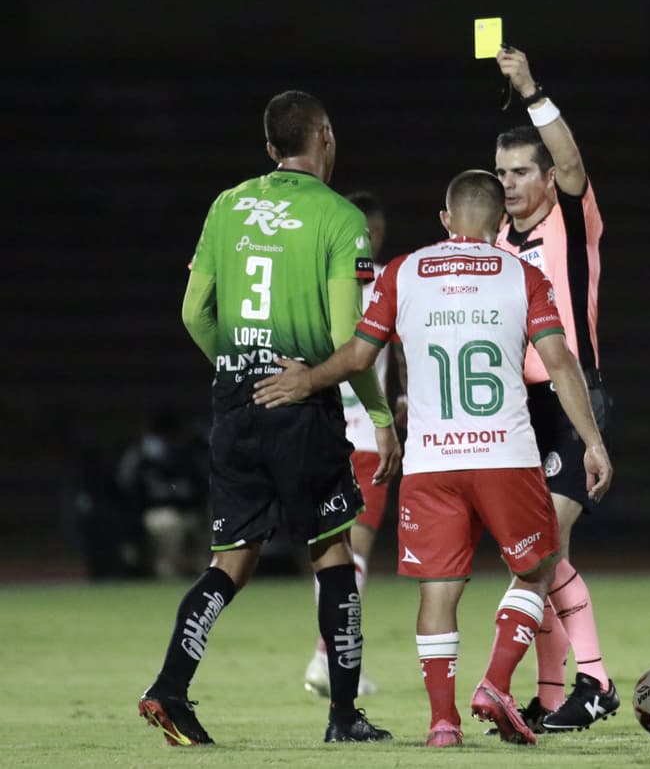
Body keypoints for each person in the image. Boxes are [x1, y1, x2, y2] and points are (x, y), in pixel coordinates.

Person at [253, 169, 613, 748]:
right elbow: (562, 363)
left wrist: (304, 381)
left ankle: (443, 723)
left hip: (430, 461)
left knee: (438, 592)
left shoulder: (403, 272)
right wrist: (592, 442)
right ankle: (496, 682)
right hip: (505, 454)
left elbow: (356, 356)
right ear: (500, 225)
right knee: (538, 567)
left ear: (445, 220)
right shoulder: (522, 274)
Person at [138, 90, 401, 747]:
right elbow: (349, 339)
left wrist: (238, 366)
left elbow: (193, 312)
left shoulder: (227, 205)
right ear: (326, 137)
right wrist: (379, 415)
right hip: (301, 407)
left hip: (236, 404)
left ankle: (170, 686)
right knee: (332, 548)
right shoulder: (341, 219)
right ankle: (343, 715)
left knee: (231, 559)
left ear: (269, 149)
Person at [489, 45, 619, 733]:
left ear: (546, 177)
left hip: (575, 400)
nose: (509, 183)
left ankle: (593, 681)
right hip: (524, 411)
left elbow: (571, 162)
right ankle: (548, 693)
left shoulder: (569, 218)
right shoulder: (500, 243)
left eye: (520, 172)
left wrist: (532, 89)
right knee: (542, 556)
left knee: (540, 550)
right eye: (502, 173)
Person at [303, 189, 408, 698]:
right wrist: (401, 400)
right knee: (354, 551)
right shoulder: (384, 283)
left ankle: (328, 654)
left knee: (329, 547)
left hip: (318, 431)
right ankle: (331, 657)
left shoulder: (314, 282)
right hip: (364, 435)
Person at [114, 405, 211, 579]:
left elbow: (203, 486)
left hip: (190, 513)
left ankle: (207, 580)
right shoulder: (139, 457)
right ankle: (168, 579)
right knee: (168, 525)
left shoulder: (188, 453)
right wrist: (130, 530)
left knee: (212, 526)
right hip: (157, 513)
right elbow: (127, 495)